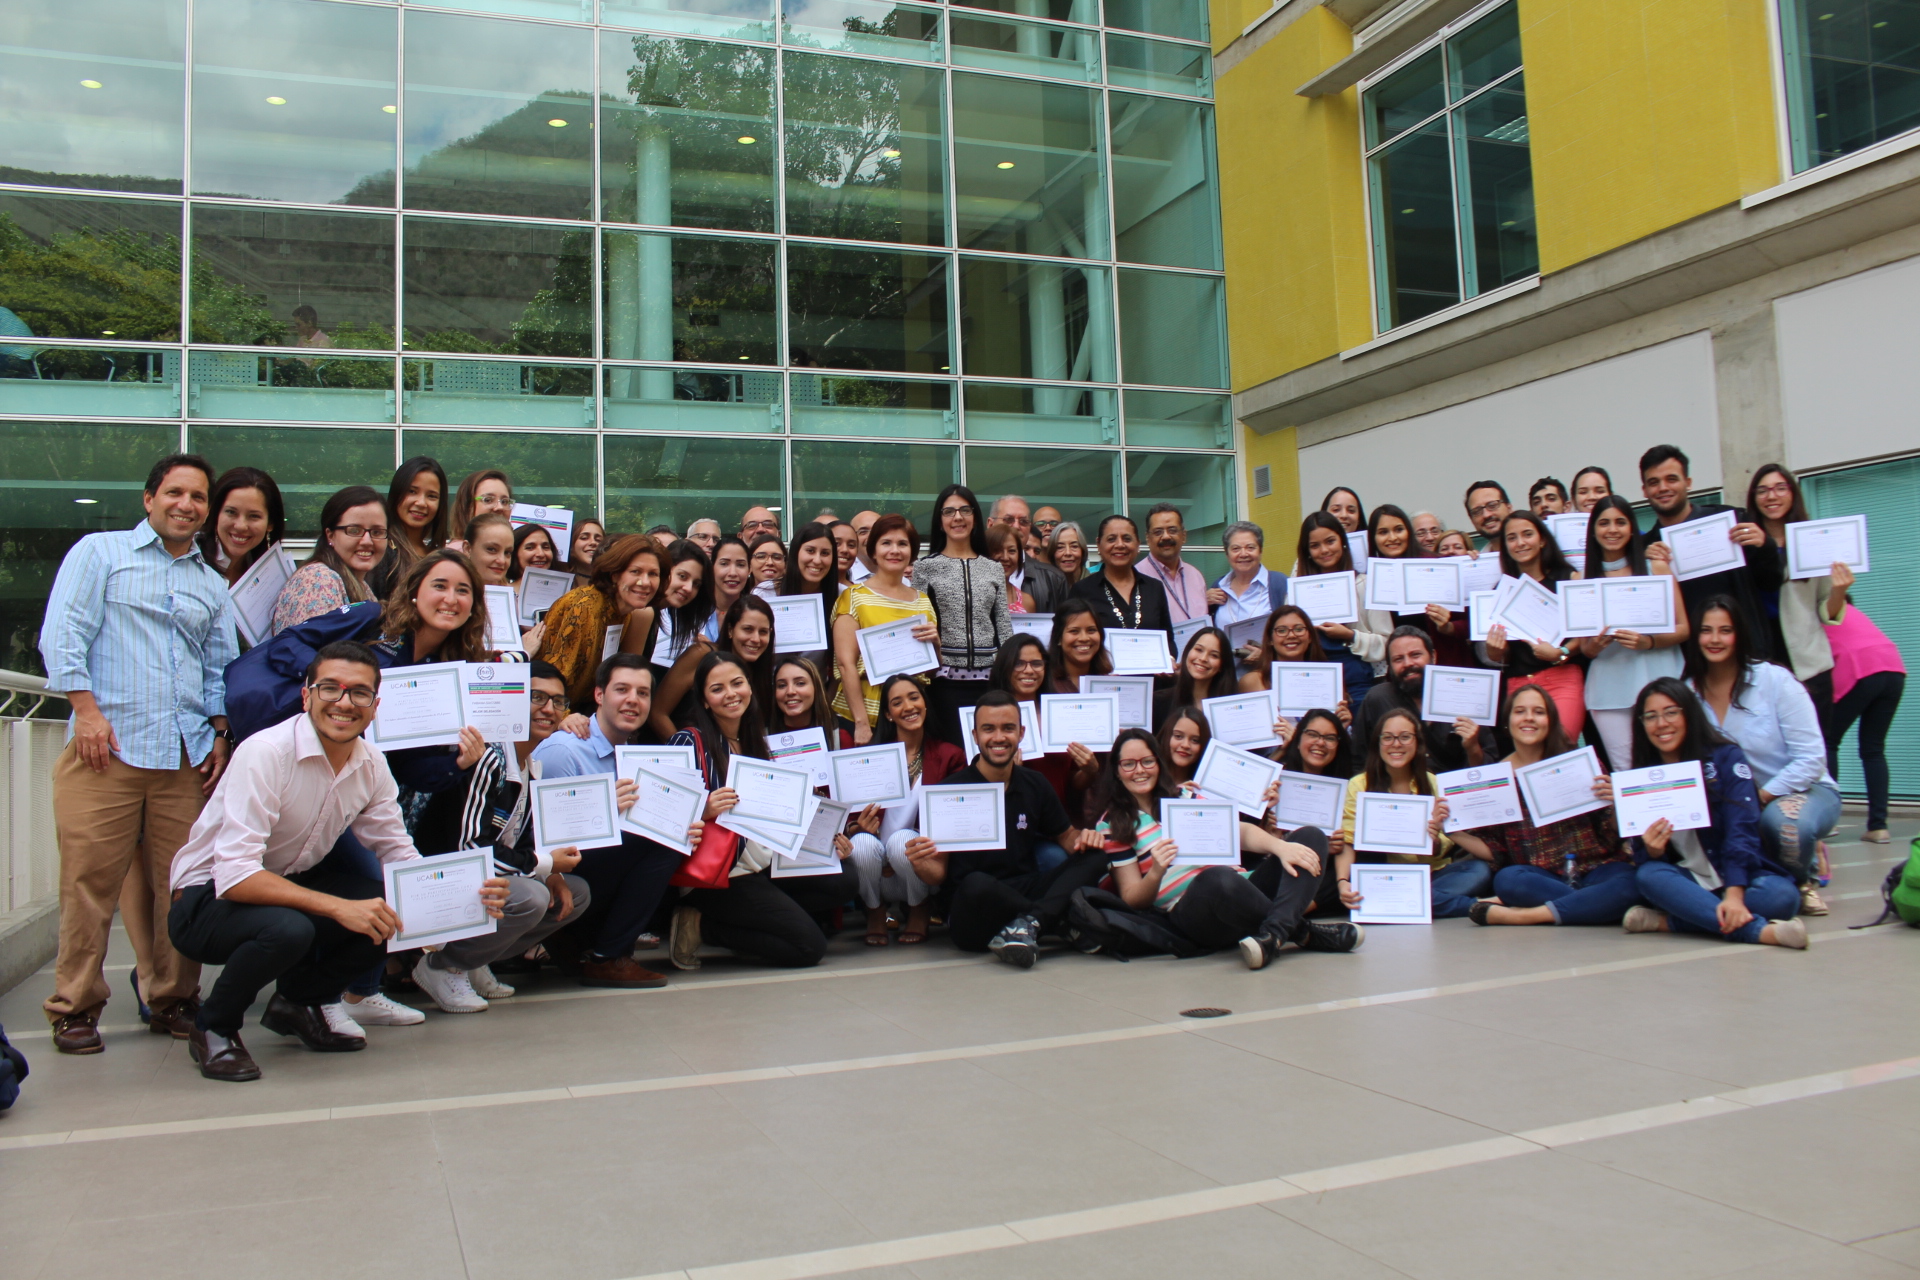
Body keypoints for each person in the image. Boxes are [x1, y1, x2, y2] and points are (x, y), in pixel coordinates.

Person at [165, 642, 511, 1080]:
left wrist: (466, 896)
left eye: (360, 693)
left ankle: (298, 1003)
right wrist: (337, 907)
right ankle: (213, 1027)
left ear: (375, 706)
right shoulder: (266, 752)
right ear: (307, 696)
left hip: (277, 887)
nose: (344, 703)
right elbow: (235, 876)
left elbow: (397, 853)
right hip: (204, 901)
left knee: (389, 905)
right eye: (330, 688)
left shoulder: (371, 764)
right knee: (290, 928)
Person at [39, 453, 238, 1054]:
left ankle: (173, 997)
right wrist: (86, 711)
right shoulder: (101, 554)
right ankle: (75, 1006)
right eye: (175, 493)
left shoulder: (211, 583)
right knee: (87, 884)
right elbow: (63, 633)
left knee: (179, 887)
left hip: (185, 756)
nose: (187, 505)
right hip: (108, 749)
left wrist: (221, 733)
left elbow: (218, 667)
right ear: (149, 499)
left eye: (198, 497)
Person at [1089, 730, 1357, 967]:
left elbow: (1239, 831)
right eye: (1129, 764)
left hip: (1243, 890)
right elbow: (1132, 897)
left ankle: (1272, 935)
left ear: (1158, 763)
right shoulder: (1112, 824)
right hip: (1194, 913)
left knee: (1311, 837)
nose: (1140, 770)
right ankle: (1303, 933)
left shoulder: (1185, 796)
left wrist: (1279, 847)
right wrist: (1157, 871)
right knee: (1216, 878)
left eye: (1147, 761)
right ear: (1116, 770)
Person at [668, 651, 858, 969]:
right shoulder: (688, 741)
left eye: (737, 683)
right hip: (721, 873)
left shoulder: (759, 742)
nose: (730, 694)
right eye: (717, 689)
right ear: (703, 700)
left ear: (750, 688)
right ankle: (702, 926)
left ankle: (756, 920)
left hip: (762, 863)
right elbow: (664, 816)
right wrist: (704, 809)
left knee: (844, 878)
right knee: (808, 947)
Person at [898, 693, 1105, 965]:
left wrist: (1086, 839)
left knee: (1098, 855)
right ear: (974, 735)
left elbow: (1066, 836)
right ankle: (1051, 921)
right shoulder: (947, 792)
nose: (999, 737)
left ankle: (1032, 923)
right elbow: (937, 875)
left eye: (1008, 728)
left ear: (1021, 733)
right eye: (988, 729)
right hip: (974, 911)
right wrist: (918, 862)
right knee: (976, 882)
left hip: (1023, 887)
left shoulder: (1035, 783)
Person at [530, 653, 686, 986]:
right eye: (622, 690)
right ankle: (606, 957)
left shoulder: (633, 753)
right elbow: (541, 836)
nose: (633, 700)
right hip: (556, 879)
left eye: (643, 693)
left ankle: (592, 947)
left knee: (675, 834)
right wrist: (601, 809)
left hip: (594, 879)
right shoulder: (565, 750)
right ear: (599, 695)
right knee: (658, 839)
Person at [1623, 678, 1808, 949]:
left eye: (1671, 712)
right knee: (1649, 876)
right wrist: (1652, 851)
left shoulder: (1725, 758)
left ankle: (1667, 922)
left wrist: (1734, 893)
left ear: (1689, 713)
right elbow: (1642, 856)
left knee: (1782, 897)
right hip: (1689, 880)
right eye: (1651, 716)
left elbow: (1741, 828)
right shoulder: (1641, 776)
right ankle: (1759, 931)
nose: (1661, 723)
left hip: (1738, 876)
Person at [1688, 596, 1839, 915]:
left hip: (1798, 790)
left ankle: (1803, 879)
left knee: (1785, 826)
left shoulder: (1775, 681)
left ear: (1740, 634)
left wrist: (1761, 796)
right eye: (1706, 630)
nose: (1715, 639)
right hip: (1730, 801)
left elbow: (1812, 758)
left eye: (1725, 630)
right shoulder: (1686, 691)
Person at [1456, 685, 1637, 928]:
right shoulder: (1497, 779)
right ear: (1508, 722)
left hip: (1597, 869)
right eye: (1520, 711)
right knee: (1507, 880)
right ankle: (1597, 906)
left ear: (1550, 721)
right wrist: (1453, 829)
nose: (1529, 717)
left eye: (1538, 712)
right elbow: (1497, 850)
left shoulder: (1581, 764)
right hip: (1541, 878)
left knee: (1631, 881)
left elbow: (1612, 831)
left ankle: (1526, 916)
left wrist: (1616, 802)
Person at [1334, 707, 1491, 919]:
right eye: (1388, 737)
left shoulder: (1433, 783)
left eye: (1405, 737)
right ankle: (1479, 905)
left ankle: (1404, 903)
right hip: (1383, 877)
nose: (1396, 744)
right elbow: (1348, 841)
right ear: (1377, 743)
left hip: (1431, 875)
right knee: (1369, 892)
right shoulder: (1359, 785)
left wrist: (1434, 838)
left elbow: (1442, 849)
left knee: (1479, 870)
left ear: (1417, 743)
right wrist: (1343, 882)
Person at [848, 674, 964, 945]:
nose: (909, 707)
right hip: (876, 872)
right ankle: (875, 912)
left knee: (902, 841)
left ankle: (919, 909)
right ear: (888, 715)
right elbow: (849, 821)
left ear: (925, 703)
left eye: (914, 697)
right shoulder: (870, 758)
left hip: (921, 869)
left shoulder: (950, 756)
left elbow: (954, 821)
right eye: (897, 702)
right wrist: (857, 827)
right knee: (861, 843)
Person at [1575, 494, 1689, 770]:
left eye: (1620, 522)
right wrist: (1596, 646)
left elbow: (1684, 628)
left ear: (1631, 527)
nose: (1612, 530)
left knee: (1676, 765)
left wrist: (1647, 642)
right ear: (1593, 530)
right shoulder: (1580, 580)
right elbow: (1584, 648)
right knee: (1629, 773)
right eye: (1603, 523)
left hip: (1661, 679)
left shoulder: (1656, 568)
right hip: (1609, 691)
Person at [1638, 444, 1777, 657]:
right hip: (1686, 662)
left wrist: (1765, 545)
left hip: (1744, 653)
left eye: (1671, 479)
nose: (1663, 488)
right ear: (1645, 491)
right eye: (1654, 482)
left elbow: (1770, 582)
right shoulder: (1644, 547)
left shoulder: (1730, 521)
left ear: (1688, 483)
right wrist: (1646, 567)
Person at [915, 484, 1013, 746]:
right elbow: (918, 623)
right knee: (953, 752)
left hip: (989, 680)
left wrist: (1007, 671)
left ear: (975, 518)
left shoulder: (992, 568)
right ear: (940, 521)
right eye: (949, 511)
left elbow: (1002, 623)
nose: (957, 517)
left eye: (965, 510)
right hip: (944, 681)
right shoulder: (925, 568)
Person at [1745, 463, 1843, 722]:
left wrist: (1840, 590)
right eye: (1763, 490)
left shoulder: (1812, 540)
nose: (1772, 496)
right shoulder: (1744, 543)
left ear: (1793, 493)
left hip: (1807, 661)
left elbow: (1825, 608)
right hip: (1760, 655)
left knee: (1815, 749)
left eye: (1780, 488)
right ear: (1754, 498)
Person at [831, 514, 940, 743]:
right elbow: (845, 663)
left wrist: (936, 646)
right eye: (886, 543)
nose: (895, 550)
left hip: (908, 718)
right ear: (873, 550)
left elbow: (929, 672)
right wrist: (860, 722)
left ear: (911, 551)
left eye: (902, 544)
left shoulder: (922, 601)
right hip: (862, 717)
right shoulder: (854, 597)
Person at [1485, 511, 1585, 734]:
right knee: (1531, 756)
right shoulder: (1501, 591)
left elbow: (1589, 633)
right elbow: (1503, 654)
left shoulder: (1569, 579)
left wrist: (1561, 652)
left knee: (1563, 748)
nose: (1520, 543)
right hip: (1519, 684)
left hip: (1563, 679)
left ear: (1542, 540)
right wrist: (1495, 651)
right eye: (1511, 538)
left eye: (1527, 534)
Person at [539, 535, 664, 711]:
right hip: (551, 714)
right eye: (635, 571)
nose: (645, 582)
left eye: (653, 574)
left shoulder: (623, 612)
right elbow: (553, 681)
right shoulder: (583, 608)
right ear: (614, 575)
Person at [1352, 626, 1491, 772]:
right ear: (1390, 666)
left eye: (1415, 655)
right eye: (1398, 659)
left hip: (1453, 791)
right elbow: (1360, 760)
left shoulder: (1464, 694)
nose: (1408, 663)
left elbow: (1489, 767)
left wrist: (1473, 747)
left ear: (1433, 656)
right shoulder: (1378, 699)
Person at [1823, 600, 1904, 844]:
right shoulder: (1855, 612)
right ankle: (1879, 827)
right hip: (1894, 667)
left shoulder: (1821, 613)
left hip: (1861, 668)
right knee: (1874, 749)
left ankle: (1828, 822)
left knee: (1827, 741)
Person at [653, 593, 776, 737]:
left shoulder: (762, 674)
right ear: (730, 630)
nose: (756, 639)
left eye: (763, 632)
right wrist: (688, 753)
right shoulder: (700, 655)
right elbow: (657, 713)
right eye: (747, 629)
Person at [1293, 513, 1384, 703]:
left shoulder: (1365, 585)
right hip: (1313, 686)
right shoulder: (1297, 592)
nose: (1324, 550)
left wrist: (1351, 636)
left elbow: (1387, 643)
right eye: (1315, 545)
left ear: (1342, 542)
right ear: (1307, 551)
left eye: (1330, 541)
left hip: (1359, 686)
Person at [271, 485, 385, 634]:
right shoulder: (318, 580)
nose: (367, 541)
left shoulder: (360, 584)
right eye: (354, 530)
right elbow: (317, 655)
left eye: (377, 532)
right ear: (330, 535)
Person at [1238, 605, 1350, 745]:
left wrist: (1341, 727)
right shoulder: (1254, 681)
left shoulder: (1329, 680)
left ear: (1310, 637)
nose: (1291, 635)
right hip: (1279, 762)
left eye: (1298, 629)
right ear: (1270, 639)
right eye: (1282, 630)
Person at [1040, 599, 1110, 804]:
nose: (1084, 638)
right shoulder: (1045, 687)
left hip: (1108, 796)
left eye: (1091, 630)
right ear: (1059, 638)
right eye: (1074, 631)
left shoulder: (1111, 685)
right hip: (1061, 796)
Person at [1071, 515, 1174, 652]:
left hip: (1152, 672)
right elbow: (1072, 641)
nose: (1119, 545)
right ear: (1098, 545)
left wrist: (1170, 659)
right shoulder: (1082, 590)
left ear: (1137, 544)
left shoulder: (1154, 588)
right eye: (1111, 539)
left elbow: (1168, 640)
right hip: (1101, 673)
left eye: (1127, 539)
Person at [371, 456, 447, 599]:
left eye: (432, 496)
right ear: (396, 493)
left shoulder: (438, 556)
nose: (421, 503)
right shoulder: (381, 549)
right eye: (412, 491)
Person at [197, 466, 286, 586]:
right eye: (231, 512)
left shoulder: (275, 576)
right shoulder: (190, 561)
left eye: (254, 516)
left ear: (270, 523)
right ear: (214, 513)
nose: (241, 526)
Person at [1208, 521, 1287, 652]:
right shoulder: (1218, 586)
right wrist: (1204, 603)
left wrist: (1266, 655)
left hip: (1266, 669)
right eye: (1236, 549)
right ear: (1227, 554)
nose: (1243, 554)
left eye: (1250, 547)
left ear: (1260, 550)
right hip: (1225, 670)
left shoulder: (1279, 583)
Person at [776, 521, 842, 674]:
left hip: (820, 691)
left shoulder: (843, 596)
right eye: (810, 551)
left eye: (825, 553)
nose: (817, 560)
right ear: (796, 552)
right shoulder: (766, 593)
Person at [648, 540, 715, 686]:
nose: (688, 588)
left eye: (696, 584)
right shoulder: (643, 613)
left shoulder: (656, 614)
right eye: (682, 576)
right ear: (665, 570)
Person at [990, 494, 1069, 611]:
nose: (1016, 526)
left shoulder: (1053, 578)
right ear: (990, 524)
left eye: (1023, 521)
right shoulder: (971, 573)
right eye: (1009, 520)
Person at [1137, 503, 1209, 626]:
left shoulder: (1195, 575)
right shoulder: (1137, 576)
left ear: (1184, 536)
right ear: (1148, 538)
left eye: (1172, 530)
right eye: (1158, 532)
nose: (1165, 536)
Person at [1158, 625, 1237, 730]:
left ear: (1222, 665)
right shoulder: (1159, 701)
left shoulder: (1232, 708)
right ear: (1187, 652)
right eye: (1199, 650)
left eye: (1214, 655)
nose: (1203, 659)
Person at [770, 656, 849, 747]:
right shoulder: (761, 738)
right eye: (782, 685)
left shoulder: (840, 737)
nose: (790, 691)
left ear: (816, 688)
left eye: (800, 683)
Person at [448, 470, 513, 551]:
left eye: (504, 501)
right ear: (467, 507)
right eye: (488, 500)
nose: (500, 507)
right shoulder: (456, 556)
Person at [987, 525, 1035, 614]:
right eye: (998, 550)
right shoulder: (972, 596)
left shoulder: (1027, 601)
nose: (1005, 557)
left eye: (1011, 551)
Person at [1157, 705, 1210, 786]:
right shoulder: (1149, 777)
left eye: (1195, 740)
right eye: (1178, 736)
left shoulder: (1207, 786)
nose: (1185, 745)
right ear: (1167, 736)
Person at [1463, 479, 1512, 544]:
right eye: (1477, 511)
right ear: (1471, 520)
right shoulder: (1479, 554)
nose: (1486, 515)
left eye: (1492, 505)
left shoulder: (1528, 550)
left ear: (1509, 508)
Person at [849, 508, 881, 582]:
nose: (871, 537)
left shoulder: (901, 580)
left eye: (876, 530)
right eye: (863, 532)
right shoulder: (843, 578)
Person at [829, 519, 861, 589]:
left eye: (851, 545)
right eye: (836, 543)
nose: (844, 550)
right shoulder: (808, 590)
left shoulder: (860, 595)